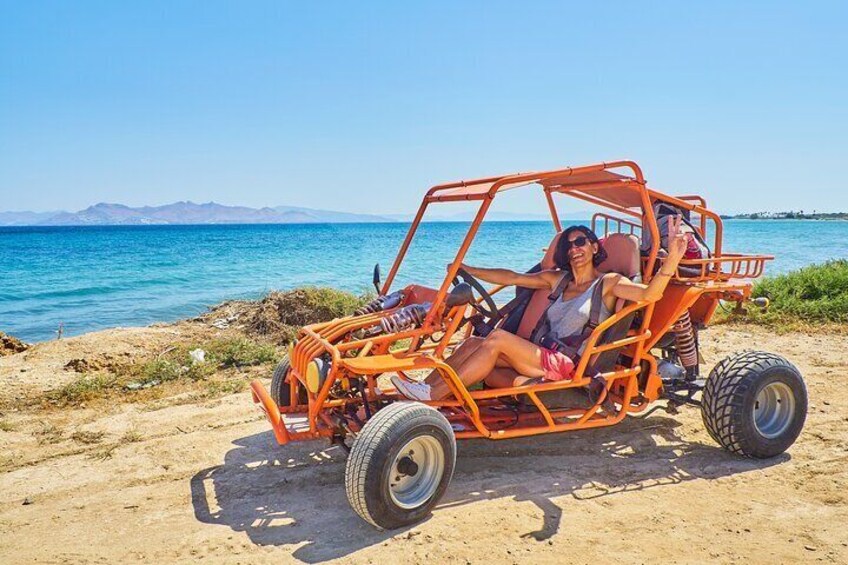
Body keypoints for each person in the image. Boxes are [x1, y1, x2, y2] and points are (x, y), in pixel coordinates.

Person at [391, 217, 690, 401]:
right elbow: (512, 277)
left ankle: (431, 396)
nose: (574, 248)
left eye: (581, 242)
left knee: (496, 339)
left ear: (594, 247)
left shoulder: (609, 283)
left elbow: (650, 295)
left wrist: (673, 260)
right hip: (538, 355)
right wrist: (468, 267)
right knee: (474, 342)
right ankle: (424, 388)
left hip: (565, 363)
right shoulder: (559, 279)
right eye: (569, 245)